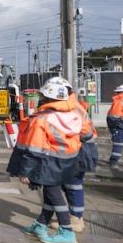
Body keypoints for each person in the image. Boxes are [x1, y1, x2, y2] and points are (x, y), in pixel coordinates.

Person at [7, 80, 83, 243]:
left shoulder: (42, 119)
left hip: (48, 163)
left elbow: (35, 149)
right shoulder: (73, 114)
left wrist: (25, 172)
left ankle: (67, 231)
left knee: (54, 195)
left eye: (42, 96)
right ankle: (41, 223)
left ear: (47, 98)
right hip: (67, 161)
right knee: (50, 195)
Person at [46, 77, 98, 233]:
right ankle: (75, 216)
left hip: (78, 150)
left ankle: (76, 219)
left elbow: (81, 132)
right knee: (70, 184)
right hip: (80, 148)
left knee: (73, 184)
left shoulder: (71, 108)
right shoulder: (73, 106)